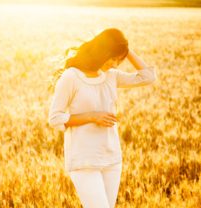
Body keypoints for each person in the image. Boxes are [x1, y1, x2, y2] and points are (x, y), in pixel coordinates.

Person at [48, 28, 157, 208]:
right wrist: (92, 116)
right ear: (102, 51)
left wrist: (125, 49)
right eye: (113, 58)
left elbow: (148, 77)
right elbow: (55, 118)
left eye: (119, 60)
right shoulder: (72, 76)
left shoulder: (111, 76)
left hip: (112, 158)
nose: (115, 64)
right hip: (84, 160)